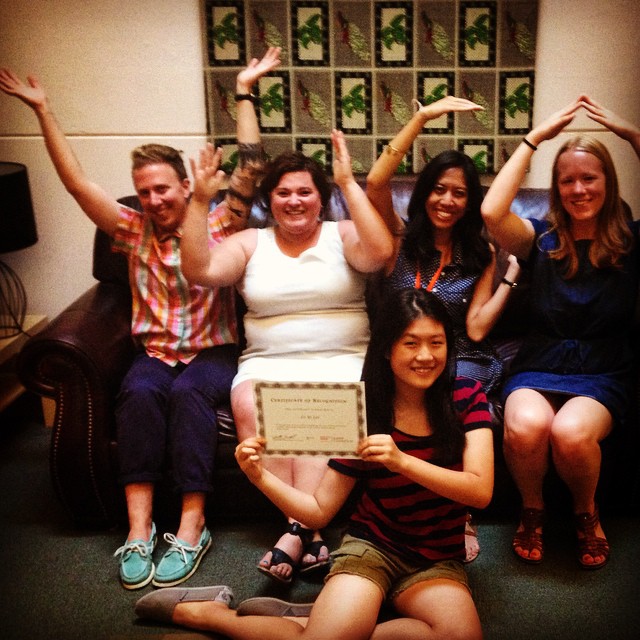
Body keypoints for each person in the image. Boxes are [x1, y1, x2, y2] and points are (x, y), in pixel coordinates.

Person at [0, 46, 281, 589]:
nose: (153, 200)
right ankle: (138, 528)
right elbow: (77, 183)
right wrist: (42, 111)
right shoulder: (130, 229)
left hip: (213, 351)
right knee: (139, 393)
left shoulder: (220, 220)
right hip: (153, 351)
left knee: (190, 395)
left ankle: (192, 526)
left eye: (162, 189)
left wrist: (245, 89)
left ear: (184, 186)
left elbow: (252, 167)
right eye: (144, 191)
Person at [133, 287, 494, 640]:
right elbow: (320, 511)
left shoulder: (466, 397)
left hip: (436, 560)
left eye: (437, 342)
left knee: (461, 635)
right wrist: (258, 476)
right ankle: (210, 614)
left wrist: (402, 462)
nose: (426, 356)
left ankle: (323, 622)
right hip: (373, 547)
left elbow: (479, 492)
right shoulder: (365, 412)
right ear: (386, 349)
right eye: (411, 343)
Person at [178, 129, 394, 584]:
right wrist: (198, 202)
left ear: (320, 198)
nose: (294, 201)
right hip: (267, 362)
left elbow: (381, 253)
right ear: (269, 201)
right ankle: (307, 528)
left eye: (305, 192)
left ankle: (296, 530)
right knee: (250, 403)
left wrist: (348, 183)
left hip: (342, 359)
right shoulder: (250, 243)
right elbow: (200, 270)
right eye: (283, 193)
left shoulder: (344, 233)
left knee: (320, 403)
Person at [480, 95, 640, 569]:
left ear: (608, 183)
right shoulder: (539, 238)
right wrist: (536, 138)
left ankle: (585, 513)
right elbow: (491, 212)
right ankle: (532, 510)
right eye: (567, 180)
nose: (578, 189)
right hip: (539, 363)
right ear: (556, 188)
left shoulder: (631, 240)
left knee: (571, 433)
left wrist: (631, 134)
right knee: (527, 426)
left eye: (589, 178)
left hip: (605, 369)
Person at [366, 95, 521, 562]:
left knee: (457, 388)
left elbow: (475, 328)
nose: (447, 201)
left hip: (455, 353)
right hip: (398, 348)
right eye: (439, 189)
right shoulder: (398, 237)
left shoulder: (478, 255)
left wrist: (508, 280)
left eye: (460, 193)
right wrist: (422, 118)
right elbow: (375, 181)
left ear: (470, 201)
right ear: (423, 192)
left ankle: (458, 510)